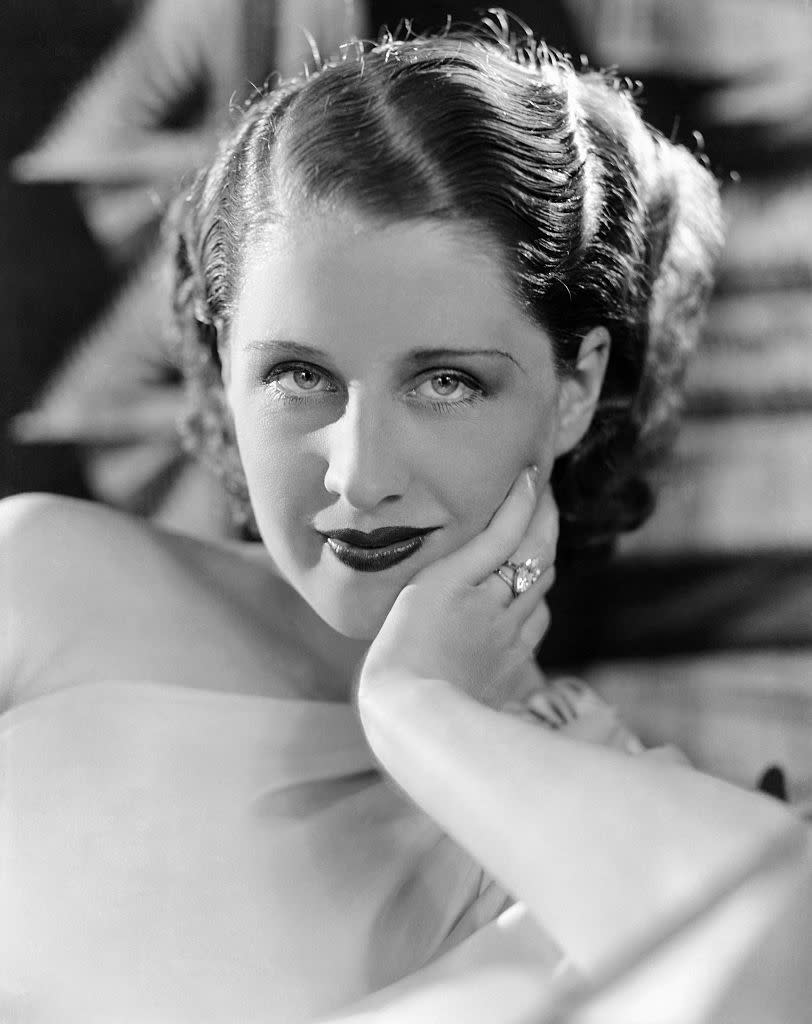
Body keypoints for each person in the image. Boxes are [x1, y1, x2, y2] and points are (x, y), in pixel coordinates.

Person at [1, 20, 805, 1024]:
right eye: (297, 374)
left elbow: (772, 966)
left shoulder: (599, 809)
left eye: (445, 381)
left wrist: (421, 713)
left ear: (573, 386)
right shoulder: (36, 584)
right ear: (222, 365)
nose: (359, 471)